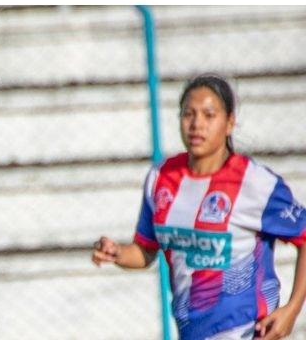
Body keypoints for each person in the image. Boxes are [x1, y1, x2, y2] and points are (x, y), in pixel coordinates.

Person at [92, 74, 306, 340]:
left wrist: (292, 309)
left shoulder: (255, 183)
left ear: (229, 123)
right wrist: (117, 253)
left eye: (209, 115)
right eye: (188, 114)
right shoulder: (161, 178)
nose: (196, 124)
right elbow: (145, 250)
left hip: (247, 331)